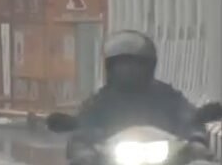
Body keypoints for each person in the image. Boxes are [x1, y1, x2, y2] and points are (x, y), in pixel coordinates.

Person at [66, 30, 209, 165]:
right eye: (121, 64)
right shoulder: (100, 101)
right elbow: (84, 127)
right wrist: (83, 149)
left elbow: (187, 116)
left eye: (136, 64)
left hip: (165, 157)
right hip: (111, 159)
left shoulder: (167, 96)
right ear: (110, 68)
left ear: (150, 66)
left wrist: (197, 140)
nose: (128, 69)